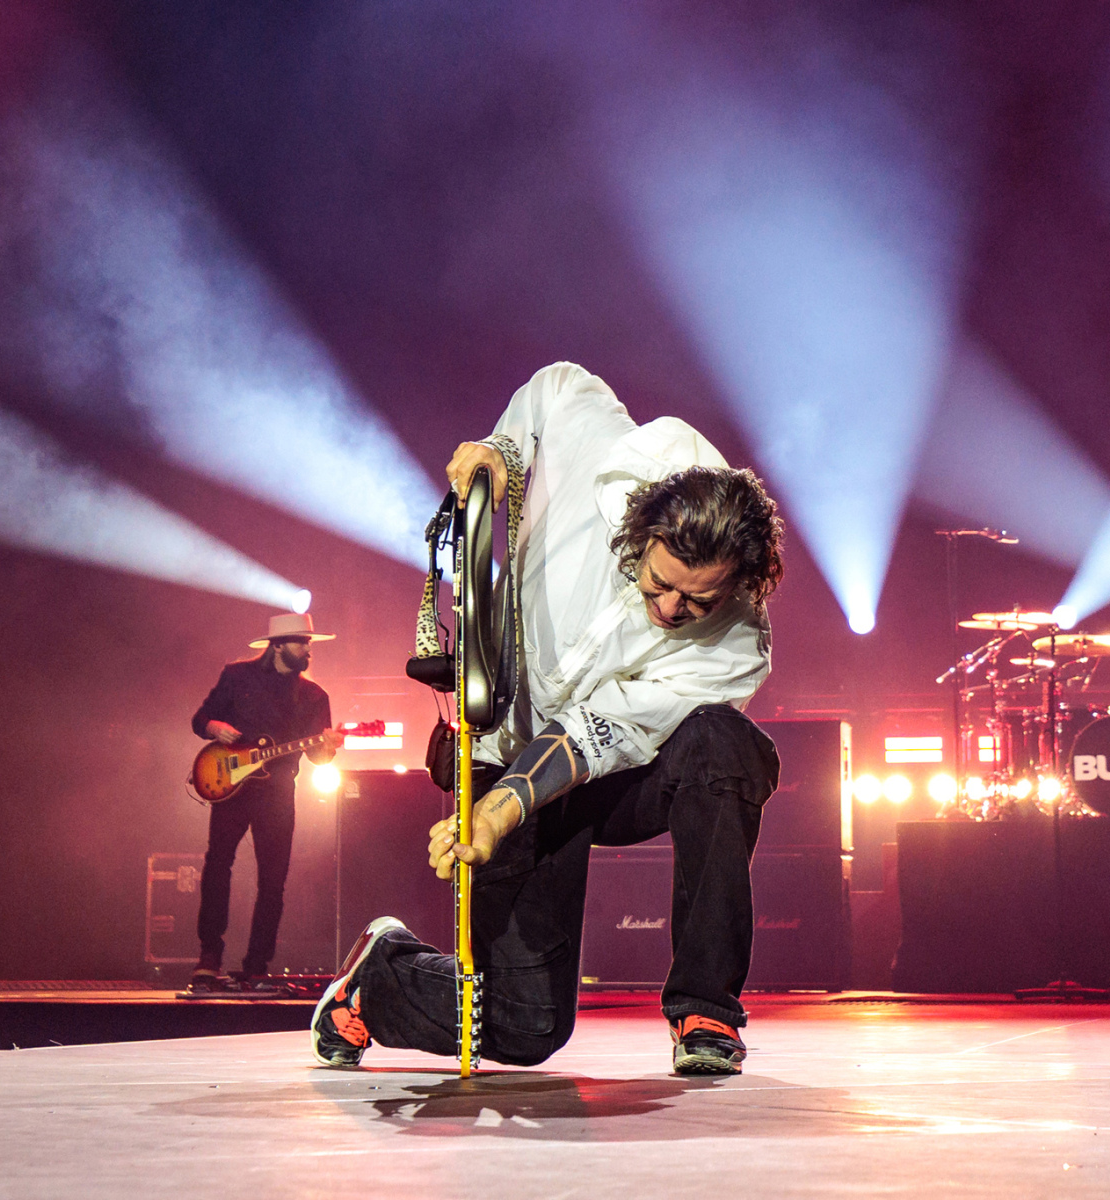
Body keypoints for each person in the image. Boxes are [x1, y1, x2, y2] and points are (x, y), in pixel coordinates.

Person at [312, 361, 784, 1076]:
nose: (671, 609)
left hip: (614, 774)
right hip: (503, 747)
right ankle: (379, 976)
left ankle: (705, 1009)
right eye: (661, 583)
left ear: (740, 585)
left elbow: (607, 731)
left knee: (726, 744)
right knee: (522, 1027)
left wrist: (502, 809)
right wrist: (499, 452)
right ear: (640, 527)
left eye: (698, 601)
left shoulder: (737, 643)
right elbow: (555, 386)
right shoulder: (598, 446)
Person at [189, 612, 340, 992]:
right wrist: (213, 727)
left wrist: (328, 747)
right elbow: (200, 718)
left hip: (278, 794)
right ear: (278, 645)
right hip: (232, 787)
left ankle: (257, 965)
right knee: (218, 864)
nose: (308, 650)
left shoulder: (314, 696)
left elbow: (318, 758)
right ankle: (209, 957)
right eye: (301, 643)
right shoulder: (237, 676)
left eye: (309, 643)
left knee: (273, 880)